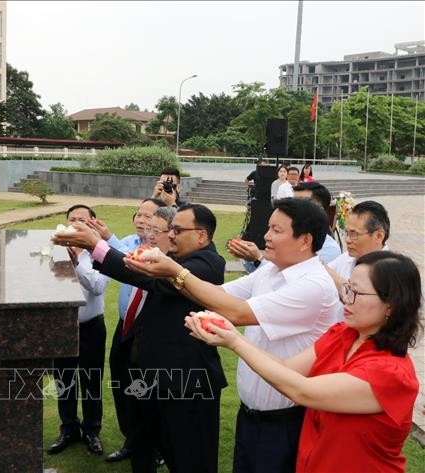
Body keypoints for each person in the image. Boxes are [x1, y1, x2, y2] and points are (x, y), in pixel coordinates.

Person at [125, 198, 339, 473]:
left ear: (305, 240)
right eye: (268, 228)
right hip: (252, 414)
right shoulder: (271, 271)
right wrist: (168, 274)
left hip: (286, 420)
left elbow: (237, 313)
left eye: (276, 230)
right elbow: (218, 294)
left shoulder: (313, 285)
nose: (265, 236)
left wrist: (175, 271)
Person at [184, 251, 421, 473]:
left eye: (356, 293)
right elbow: (287, 368)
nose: (345, 299)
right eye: (347, 288)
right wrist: (229, 333)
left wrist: (235, 341)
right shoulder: (343, 334)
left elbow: (301, 391)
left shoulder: (390, 373)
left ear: (390, 305)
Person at [53, 204, 227, 473]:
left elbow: (145, 276)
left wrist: (96, 246)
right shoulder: (178, 260)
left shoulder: (207, 265)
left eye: (177, 230)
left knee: (191, 460)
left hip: (187, 386)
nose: (170, 236)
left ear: (202, 236)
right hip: (152, 381)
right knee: (142, 446)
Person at [86, 198, 166, 463]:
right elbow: (114, 253)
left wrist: (101, 240)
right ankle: (131, 440)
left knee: (146, 390)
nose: (142, 220)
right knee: (121, 383)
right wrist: (104, 236)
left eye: (149, 216)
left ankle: (154, 448)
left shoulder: (165, 254)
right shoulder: (131, 243)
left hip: (148, 332)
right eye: (139, 215)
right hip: (125, 327)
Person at [47, 205, 109, 456]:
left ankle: (92, 431)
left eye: (81, 220)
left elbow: (97, 286)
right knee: (64, 381)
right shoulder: (54, 248)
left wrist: (75, 260)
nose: (75, 223)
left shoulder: (101, 252)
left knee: (92, 381)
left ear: (92, 223)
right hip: (62, 326)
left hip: (92, 326)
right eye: (71, 219)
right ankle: (68, 428)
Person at [230, 181, 341, 273]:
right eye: (293, 203)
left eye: (301, 204)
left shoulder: (329, 249)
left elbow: (286, 280)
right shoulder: (290, 240)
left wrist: (258, 259)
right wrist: (250, 257)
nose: (267, 237)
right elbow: (265, 276)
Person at [325, 200, 390, 320]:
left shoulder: (392, 272)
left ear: (379, 236)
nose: (348, 240)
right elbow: (323, 272)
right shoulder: (347, 257)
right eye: (347, 233)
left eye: (354, 234)